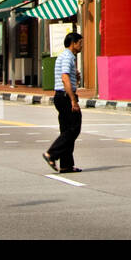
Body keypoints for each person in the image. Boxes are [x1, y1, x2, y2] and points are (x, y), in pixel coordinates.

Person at [44, 32, 84, 174]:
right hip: (65, 97)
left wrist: (76, 77)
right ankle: (52, 154)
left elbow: (69, 77)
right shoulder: (68, 57)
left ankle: (66, 165)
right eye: (80, 43)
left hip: (60, 96)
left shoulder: (66, 56)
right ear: (73, 43)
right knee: (74, 128)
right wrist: (73, 100)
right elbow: (65, 78)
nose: (81, 46)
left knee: (66, 129)